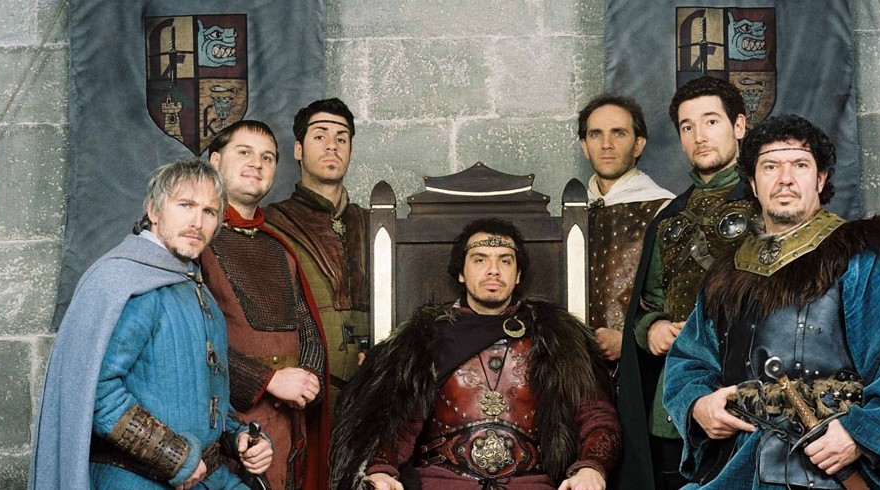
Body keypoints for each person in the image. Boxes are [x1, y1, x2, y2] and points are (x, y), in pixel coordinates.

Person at [662, 114, 880, 488]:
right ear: (753, 183)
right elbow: (688, 359)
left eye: (800, 165)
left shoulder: (860, 259)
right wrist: (698, 405)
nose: (785, 178)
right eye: (770, 166)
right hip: (736, 466)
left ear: (820, 179)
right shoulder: (727, 272)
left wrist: (859, 433)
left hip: (827, 470)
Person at [29, 159, 273, 489]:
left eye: (209, 211)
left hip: (206, 475)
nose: (197, 222)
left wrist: (239, 437)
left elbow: (206, 392)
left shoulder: (193, 285)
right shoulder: (123, 281)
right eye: (185, 205)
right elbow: (97, 392)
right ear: (154, 211)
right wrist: (175, 457)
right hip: (132, 478)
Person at [330, 218, 622, 490]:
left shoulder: (557, 339)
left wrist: (591, 467)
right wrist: (381, 470)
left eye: (505, 260)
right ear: (461, 272)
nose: (493, 270)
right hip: (442, 484)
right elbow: (393, 420)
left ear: (518, 275)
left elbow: (597, 418)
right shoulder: (424, 340)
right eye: (480, 259)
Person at [615, 76, 755, 489]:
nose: (699, 136)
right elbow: (647, 302)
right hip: (673, 409)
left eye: (711, 121)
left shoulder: (767, 205)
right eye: (687, 127)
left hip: (745, 391)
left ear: (739, 125)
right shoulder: (669, 218)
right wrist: (652, 328)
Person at [200, 120, 330, 489]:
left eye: (268, 157)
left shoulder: (278, 246)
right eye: (244, 152)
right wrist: (268, 380)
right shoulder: (195, 240)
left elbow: (307, 328)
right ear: (214, 161)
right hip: (225, 420)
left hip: (288, 420)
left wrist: (308, 378)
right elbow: (191, 338)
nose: (257, 163)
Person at [264, 98, 370, 418]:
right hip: (301, 392)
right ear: (298, 149)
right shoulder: (272, 222)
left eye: (341, 138)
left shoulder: (372, 223)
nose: (332, 145)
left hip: (370, 391)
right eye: (320, 135)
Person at [578, 94, 674, 370]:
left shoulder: (665, 209)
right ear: (584, 146)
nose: (606, 144)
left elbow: (679, 297)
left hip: (641, 368)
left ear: (638, 144)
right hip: (575, 369)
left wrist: (629, 341)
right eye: (595, 134)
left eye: (618, 133)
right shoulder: (574, 212)